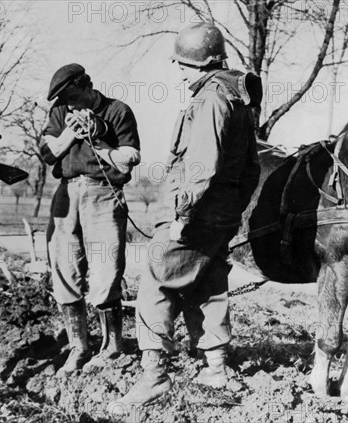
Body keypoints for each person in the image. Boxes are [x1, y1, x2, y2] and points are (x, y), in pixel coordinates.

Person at [113, 22, 261, 408]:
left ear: (201, 62)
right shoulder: (240, 99)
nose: (178, 69)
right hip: (221, 214)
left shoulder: (210, 99)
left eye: (182, 63)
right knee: (207, 282)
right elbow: (250, 170)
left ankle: (153, 377)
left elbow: (200, 166)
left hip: (194, 214)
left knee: (156, 282)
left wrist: (183, 213)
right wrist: (230, 208)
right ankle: (216, 368)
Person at [41, 64, 141, 374]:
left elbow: (131, 158)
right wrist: (71, 133)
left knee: (104, 271)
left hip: (103, 192)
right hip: (67, 193)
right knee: (65, 270)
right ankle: (79, 347)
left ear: (87, 87)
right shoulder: (60, 113)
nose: (69, 106)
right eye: (64, 101)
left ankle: (112, 348)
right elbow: (47, 153)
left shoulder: (117, 110)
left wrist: (99, 137)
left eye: (73, 98)